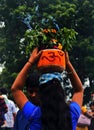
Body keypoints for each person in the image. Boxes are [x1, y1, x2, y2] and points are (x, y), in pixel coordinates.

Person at [11, 47, 83, 130]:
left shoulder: (34, 114)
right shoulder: (72, 113)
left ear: (41, 94)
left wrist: (30, 61)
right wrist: (67, 63)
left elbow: (15, 89)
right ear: (61, 92)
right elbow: (79, 90)